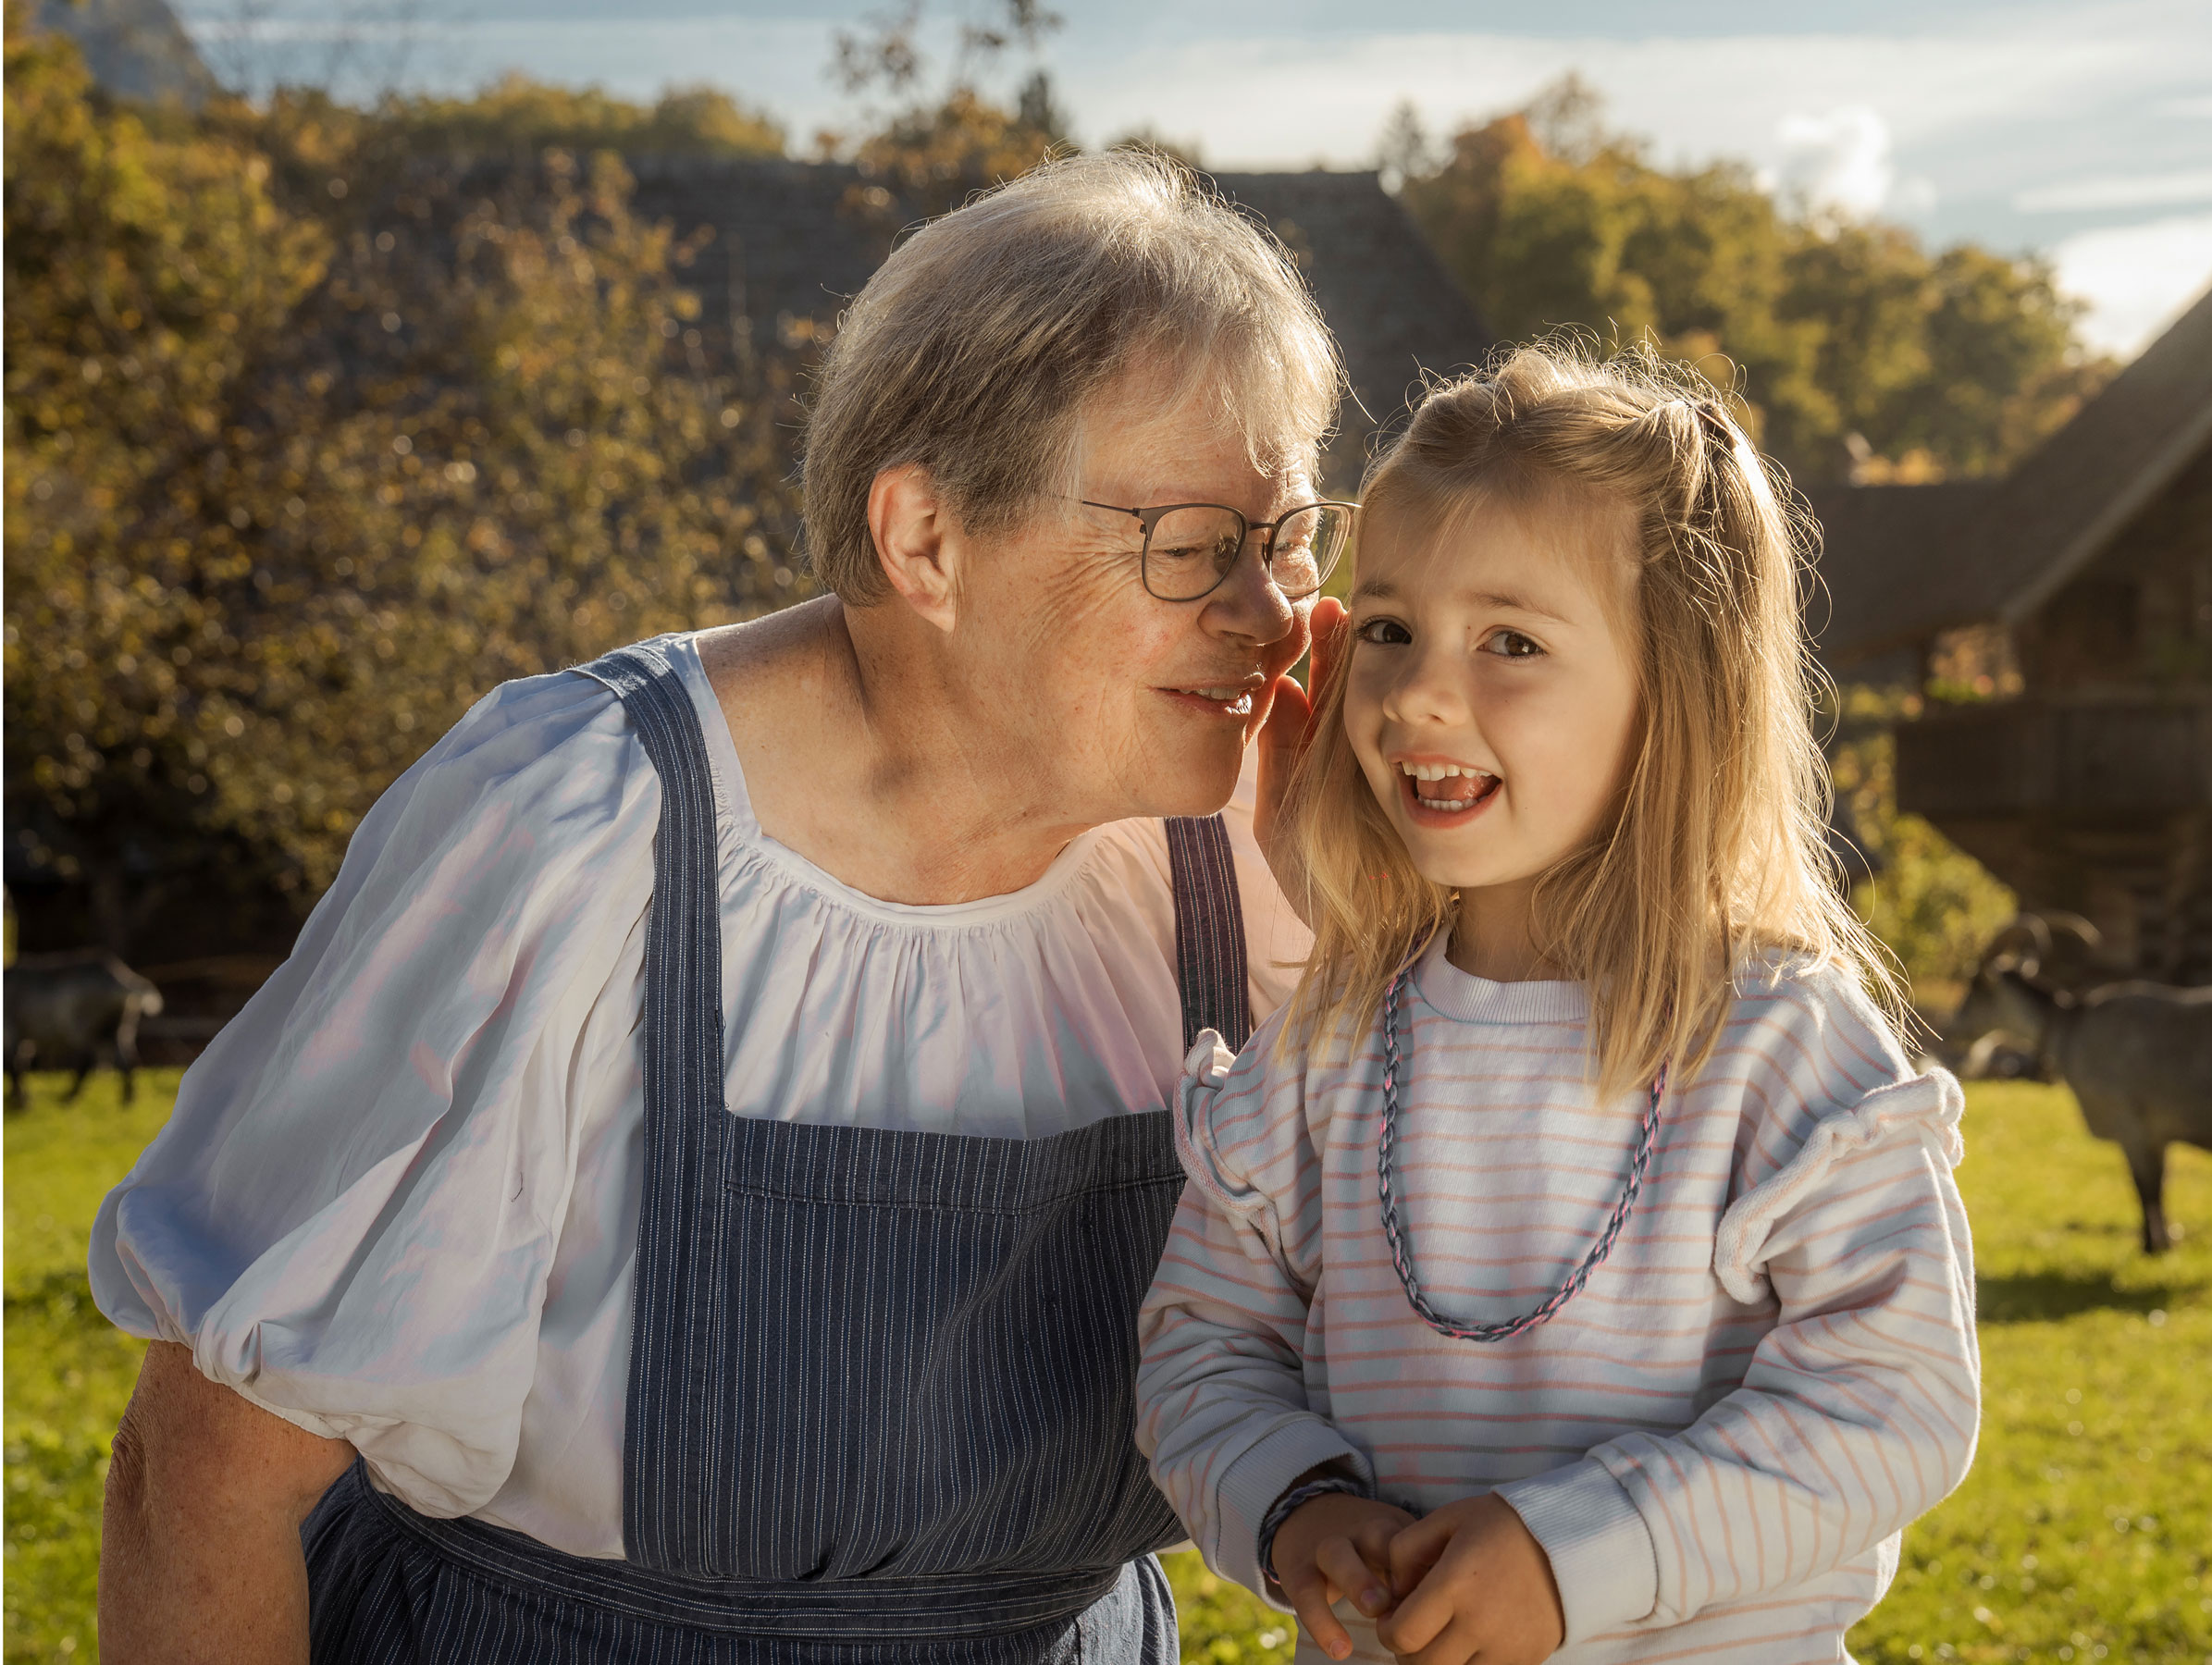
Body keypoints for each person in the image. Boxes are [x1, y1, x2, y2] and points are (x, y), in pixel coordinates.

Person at [90, 150, 1354, 1663]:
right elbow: (203, 1483)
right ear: (927, 541)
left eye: (1287, 539)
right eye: (1196, 545)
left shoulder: (1255, 844)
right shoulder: (576, 830)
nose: (1274, 615)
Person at [1135, 344, 1983, 1665]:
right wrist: (1298, 1508)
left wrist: (1573, 1556)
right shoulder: (1329, 1044)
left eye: (1511, 641)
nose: (1416, 688)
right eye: (1391, 628)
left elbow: (1891, 1405)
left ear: (1674, 696)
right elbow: (1204, 1348)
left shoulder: (1777, 1050)